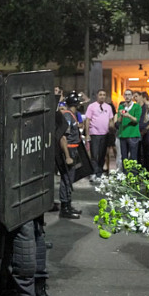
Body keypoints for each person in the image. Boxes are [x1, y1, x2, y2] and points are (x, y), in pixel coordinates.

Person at [58, 91, 83, 219]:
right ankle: (64, 208)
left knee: (69, 179)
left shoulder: (72, 115)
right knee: (66, 179)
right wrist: (67, 156)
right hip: (69, 150)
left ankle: (68, 204)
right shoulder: (68, 116)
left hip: (74, 149)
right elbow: (63, 137)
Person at [85, 89, 114, 180]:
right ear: (97, 96)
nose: (102, 96)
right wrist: (87, 134)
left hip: (105, 134)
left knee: (102, 155)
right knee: (94, 154)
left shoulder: (108, 107)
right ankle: (94, 172)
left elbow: (111, 120)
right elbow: (88, 120)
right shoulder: (91, 106)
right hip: (94, 133)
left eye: (104, 94)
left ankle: (99, 172)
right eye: (100, 94)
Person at [115, 89, 142, 168]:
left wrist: (128, 115)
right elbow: (119, 121)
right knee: (124, 157)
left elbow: (137, 120)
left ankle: (133, 175)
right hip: (123, 134)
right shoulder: (121, 106)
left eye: (129, 94)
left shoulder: (137, 106)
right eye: (125, 95)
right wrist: (121, 116)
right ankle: (125, 175)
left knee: (133, 158)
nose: (127, 96)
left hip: (133, 135)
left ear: (132, 96)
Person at [135, 91, 149, 172]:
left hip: (146, 132)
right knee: (138, 153)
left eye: (136, 96)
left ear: (141, 97)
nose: (135, 98)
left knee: (147, 153)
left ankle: (148, 172)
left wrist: (146, 129)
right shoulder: (135, 107)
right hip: (137, 132)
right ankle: (139, 172)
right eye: (134, 97)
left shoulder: (148, 107)